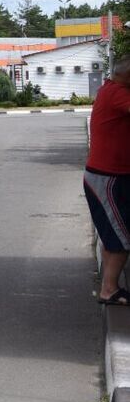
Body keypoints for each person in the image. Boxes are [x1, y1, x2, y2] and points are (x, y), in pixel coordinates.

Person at [84, 55, 130, 304]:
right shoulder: (117, 93)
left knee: (114, 232)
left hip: (109, 176)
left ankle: (109, 286)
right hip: (107, 178)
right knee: (122, 236)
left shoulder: (111, 90)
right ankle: (109, 290)